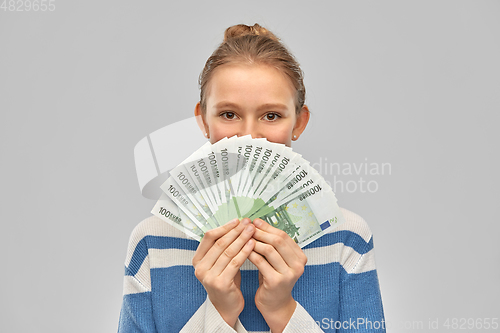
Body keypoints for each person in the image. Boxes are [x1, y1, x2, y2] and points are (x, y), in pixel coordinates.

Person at [118, 24, 385, 333]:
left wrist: (282, 310)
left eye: (271, 115)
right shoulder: (152, 242)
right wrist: (218, 311)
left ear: (299, 122)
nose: (248, 137)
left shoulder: (347, 240)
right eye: (228, 114)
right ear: (203, 121)